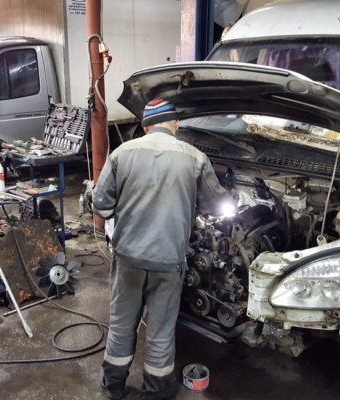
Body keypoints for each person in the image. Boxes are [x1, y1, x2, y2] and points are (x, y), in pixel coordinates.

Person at [93, 98, 230, 400]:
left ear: (145, 127)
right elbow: (215, 207)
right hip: (168, 261)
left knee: (121, 324)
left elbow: (101, 206)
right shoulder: (195, 158)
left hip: (128, 258)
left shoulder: (121, 153)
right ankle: (154, 393)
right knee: (160, 331)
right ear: (176, 124)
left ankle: (113, 386)